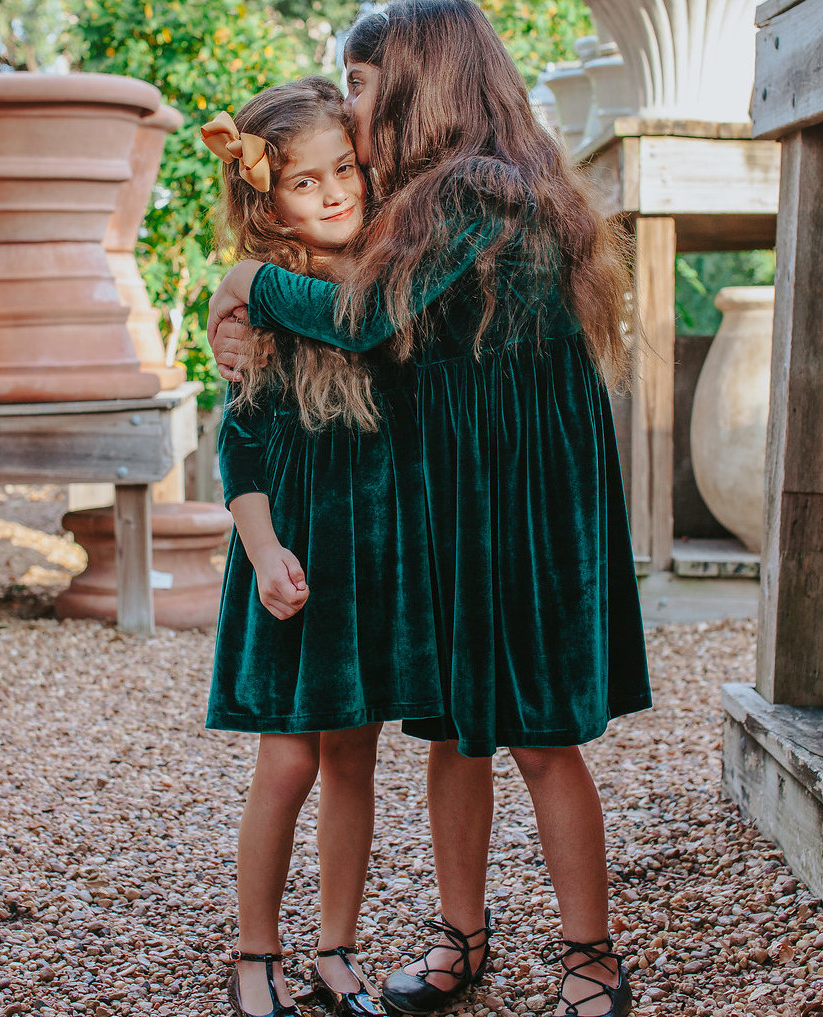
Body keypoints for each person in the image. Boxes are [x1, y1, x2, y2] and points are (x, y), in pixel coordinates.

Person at [206, 3, 652, 1016]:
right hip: (454, 494)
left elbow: (370, 318)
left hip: (518, 505)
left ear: (416, 80)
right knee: (457, 728)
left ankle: (592, 952)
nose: (350, 109)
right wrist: (249, 332)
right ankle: (463, 939)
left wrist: (246, 281)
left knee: (538, 735)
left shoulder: (482, 189)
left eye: (359, 86)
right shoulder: (424, 198)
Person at [203, 77, 445, 1017]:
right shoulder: (261, 306)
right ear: (267, 200)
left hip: (376, 562)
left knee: (356, 759)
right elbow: (242, 446)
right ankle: (253, 949)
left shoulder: (394, 278)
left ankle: (336, 947)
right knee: (289, 761)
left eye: (345, 169)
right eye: (306, 182)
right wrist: (262, 551)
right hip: (293, 558)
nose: (335, 192)